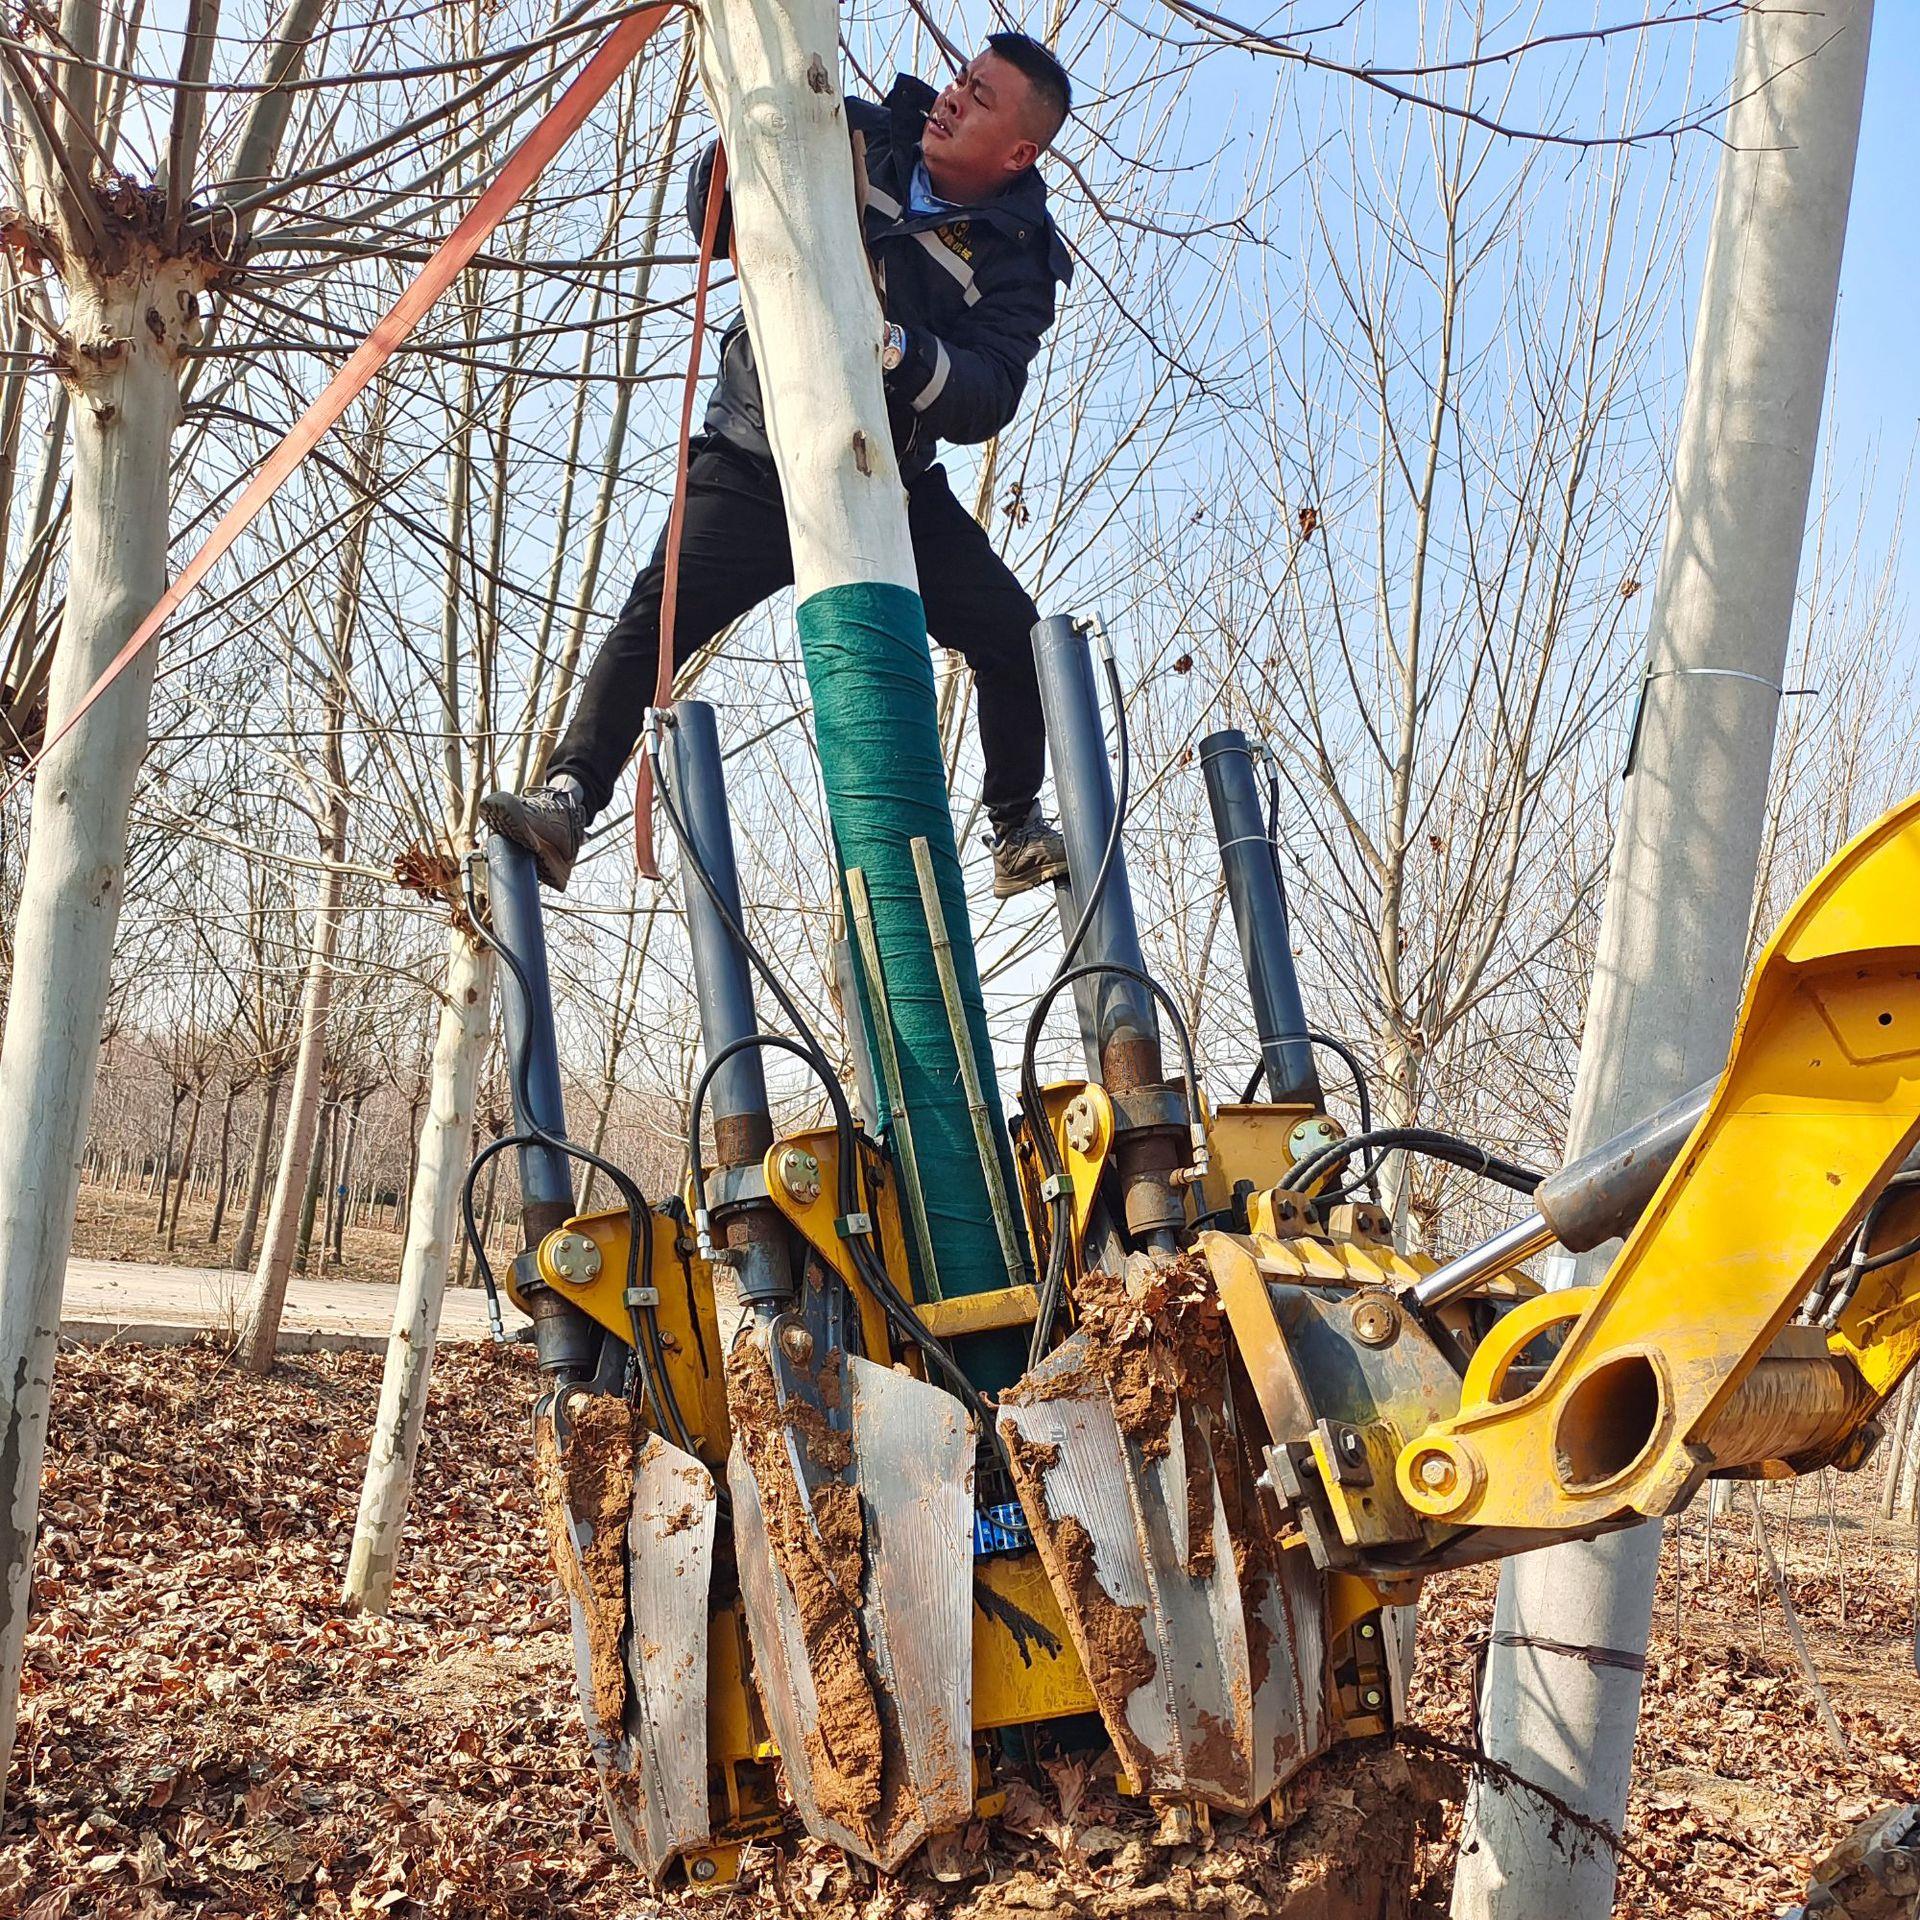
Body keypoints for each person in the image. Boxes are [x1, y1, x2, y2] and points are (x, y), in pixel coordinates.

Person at [481, 33, 1076, 897]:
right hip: (760, 446)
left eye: (980, 98)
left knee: (1014, 637)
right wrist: (750, 135)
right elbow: (713, 218)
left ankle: (1015, 826)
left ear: (1019, 151)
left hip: (888, 483)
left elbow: (989, 392)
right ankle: (569, 800)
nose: (951, 98)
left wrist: (898, 352)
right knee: (655, 617)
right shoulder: (857, 130)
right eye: (960, 81)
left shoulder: (1020, 257)